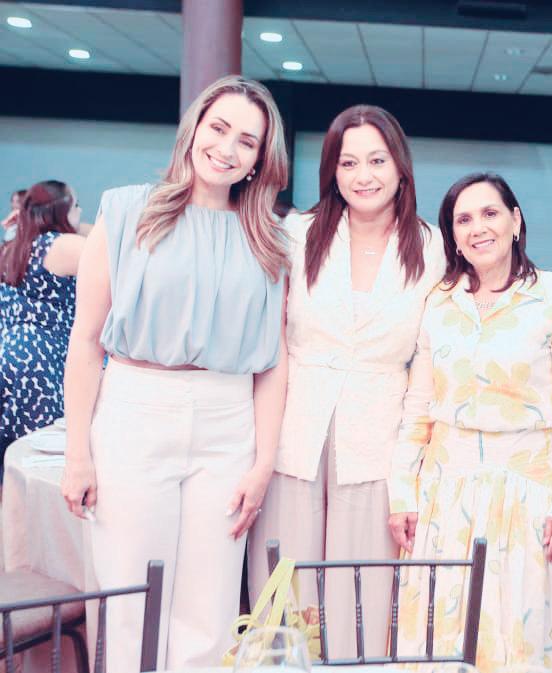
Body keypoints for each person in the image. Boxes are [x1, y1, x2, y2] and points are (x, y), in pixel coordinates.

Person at [60, 76, 289, 671]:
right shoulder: (125, 210)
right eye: (219, 128)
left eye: (247, 141)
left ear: (259, 160)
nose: (227, 148)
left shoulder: (269, 239)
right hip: (137, 408)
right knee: (130, 602)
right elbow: (85, 340)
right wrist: (77, 453)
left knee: (209, 614)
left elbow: (273, 362)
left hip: (229, 421)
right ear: (194, 129)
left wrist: (263, 462)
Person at [248, 104, 445, 658]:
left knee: (363, 591)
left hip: (379, 435)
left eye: (377, 160)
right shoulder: (297, 233)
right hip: (295, 427)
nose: (364, 176)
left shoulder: (431, 246)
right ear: (331, 171)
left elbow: (429, 360)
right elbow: (271, 340)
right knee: (285, 586)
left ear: (400, 167)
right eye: (348, 162)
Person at [388, 173, 552, 673]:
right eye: (463, 219)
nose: (478, 227)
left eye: (490, 213)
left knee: (522, 644)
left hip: (531, 499)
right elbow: (418, 407)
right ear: (453, 236)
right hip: (445, 498)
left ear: (515, 221)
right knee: (441, 642)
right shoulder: (440, 302)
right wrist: (402, 494)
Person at [0, 181, 84, 464]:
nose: (80, 211)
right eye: (76, 205)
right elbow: (113, 248)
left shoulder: (12, 247)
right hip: (40, 363)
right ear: (62, 211)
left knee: (12, 459)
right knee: (38, 459)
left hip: (9, 356)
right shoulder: (60, 245)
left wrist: (25, 220)